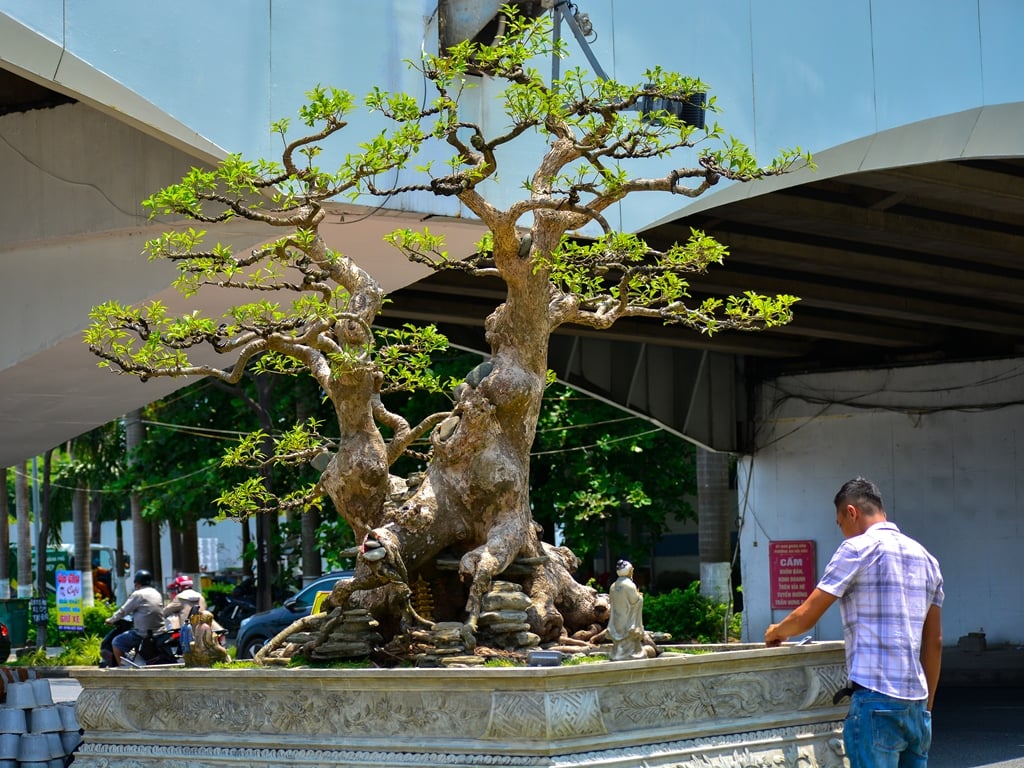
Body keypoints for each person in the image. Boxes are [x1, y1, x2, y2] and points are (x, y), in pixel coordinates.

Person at [764, 477, 944, 768]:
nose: (842, 533)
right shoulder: (927, 559)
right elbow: (934, 642)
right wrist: (927, 709)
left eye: (840, 523)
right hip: (917, 705)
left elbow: (806, 616)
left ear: (851, 512)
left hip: (875, 699)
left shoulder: (857, 549)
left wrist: (776, 631)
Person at [104, 569, 165, 666]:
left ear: (137, 582)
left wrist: (111, 620)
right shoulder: (156, 593)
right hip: (160, 631)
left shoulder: (138, 594)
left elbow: (123, 611)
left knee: (117, 642)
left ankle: (122, 668)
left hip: (144, 633)